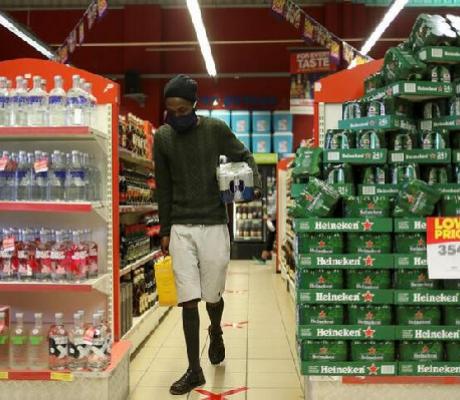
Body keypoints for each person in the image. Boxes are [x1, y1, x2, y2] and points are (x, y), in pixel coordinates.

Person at [154, 74, 262, 395]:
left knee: (212, 294)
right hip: (181, 228)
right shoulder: (162, 138)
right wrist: (164, 229)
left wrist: (248, 183)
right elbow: (164, 186)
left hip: (215, 224)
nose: (178, 116)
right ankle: (194, 369)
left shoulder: (215, 130)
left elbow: (244, 155)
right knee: (188, 299)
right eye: (172, 110)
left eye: (183, 109)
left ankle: (215, 330)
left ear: (195, 105)